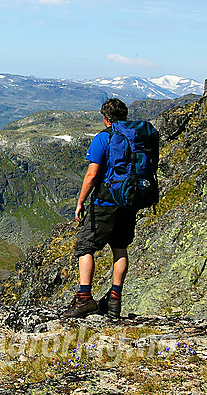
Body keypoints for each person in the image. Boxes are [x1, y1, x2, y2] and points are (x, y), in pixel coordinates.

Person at [64, 98, 135, 319]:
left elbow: (92, 175)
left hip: (105, 203)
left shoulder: (103, 138)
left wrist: (80, 202)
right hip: (129, 203)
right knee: (120, 248)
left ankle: (85, 299)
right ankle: (115, 300)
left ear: (105, 118)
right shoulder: (136, 139)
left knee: (85, 247)